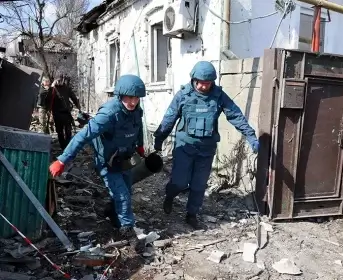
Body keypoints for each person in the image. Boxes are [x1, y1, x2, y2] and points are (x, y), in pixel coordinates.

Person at [153, 61, 259, 229]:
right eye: (201, 82)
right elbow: (169, 118)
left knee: (199, 184)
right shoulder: (183, 95)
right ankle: (170, 195)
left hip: (206, 149)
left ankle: (191, 214)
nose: (204, 86)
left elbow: (236, 115)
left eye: (208, 83)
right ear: (194, 79)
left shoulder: (218, 96)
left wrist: (251, 136)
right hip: (185, 147)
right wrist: (159, 139)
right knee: (180, 182)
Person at [48, 74, 147, 253]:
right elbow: (82, 136)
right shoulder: (109, 114)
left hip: (125, 159)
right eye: (129, 98)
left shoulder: (137, 110)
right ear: (120, 95)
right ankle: (128, 231)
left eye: (136, 98)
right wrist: (62, 160)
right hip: (107, 161)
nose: (133, 102)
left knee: (126, 191)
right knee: (123, 196)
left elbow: (138, 127)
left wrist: (140, 146)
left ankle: (111, 211)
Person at [46, 73, 81, 150]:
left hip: (63, 113)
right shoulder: (54, 89)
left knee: (65, 131)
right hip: (60, 114)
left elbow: (74, 98)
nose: (60, 81)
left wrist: (79, 108)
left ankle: (65, 146)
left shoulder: (63, 88)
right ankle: (65, 146)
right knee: (63, 131)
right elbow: (48, 100)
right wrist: (79, 107)